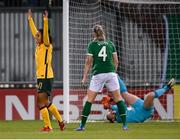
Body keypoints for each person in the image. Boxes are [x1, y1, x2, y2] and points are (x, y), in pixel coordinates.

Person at [75, 24, 127, 131]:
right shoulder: (110, 44)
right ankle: (125, 125)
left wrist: (84, 77)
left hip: (98, 74)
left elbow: (88, 62)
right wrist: (113, 72)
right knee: (118, 99)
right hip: (111, 73)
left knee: (90, 100)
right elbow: (116, 61)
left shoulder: (92, 45)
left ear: (94, 33)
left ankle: (82, 126)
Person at [27, 9, 65, 132]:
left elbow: (44, 35)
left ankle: (48, 126)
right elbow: (34, 32)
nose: (35, 37)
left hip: (46, 76)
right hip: (41, 76)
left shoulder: (47, 45)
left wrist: (45, 21)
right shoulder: (39, 45)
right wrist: (30, 20)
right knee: (45, 102)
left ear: (43, 37)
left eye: (38, 35)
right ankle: (60, 121)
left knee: (40, 102)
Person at [102, 76, 176, 123]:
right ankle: (167, 87)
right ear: (113, 120)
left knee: (124, 93)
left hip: (138, 107)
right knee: (150, 96)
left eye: (110, 112)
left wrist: (109, 103)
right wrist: (109, 105)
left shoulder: (117, 111)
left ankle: (115, 76)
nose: (110, 112)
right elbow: (123, 105)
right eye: (110, 115)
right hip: (144, 112)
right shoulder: (119, 119)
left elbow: (119, 104)